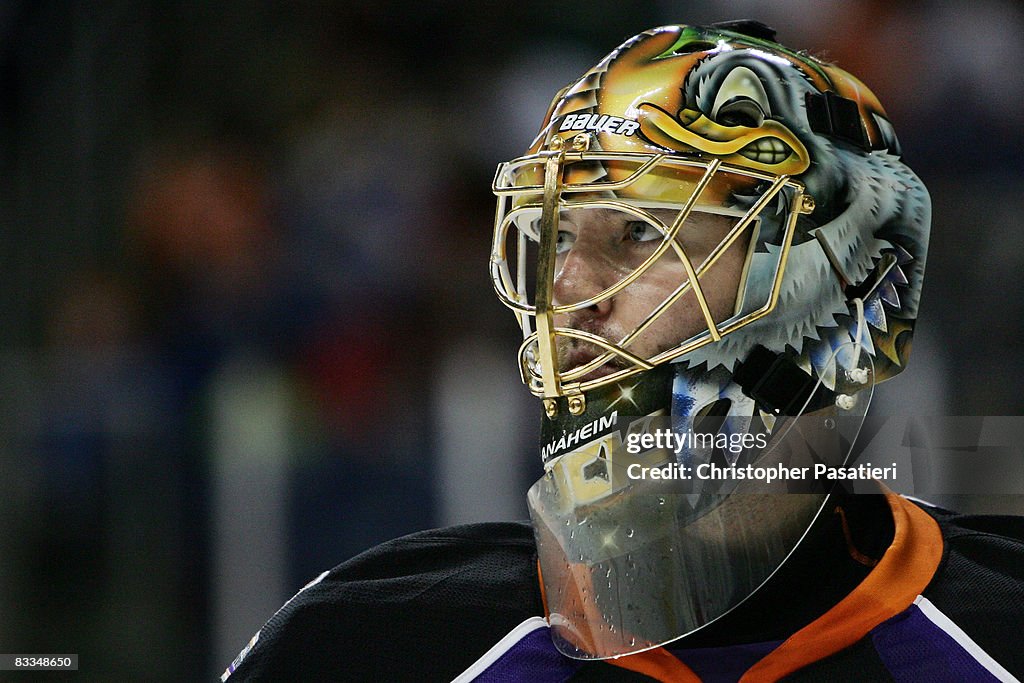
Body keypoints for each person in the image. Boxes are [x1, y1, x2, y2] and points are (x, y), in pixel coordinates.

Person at [222, 21, 1024, 681]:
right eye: (557, 236)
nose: (569, 287)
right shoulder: (362, 645)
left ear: (838, 278)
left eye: (642, 232)